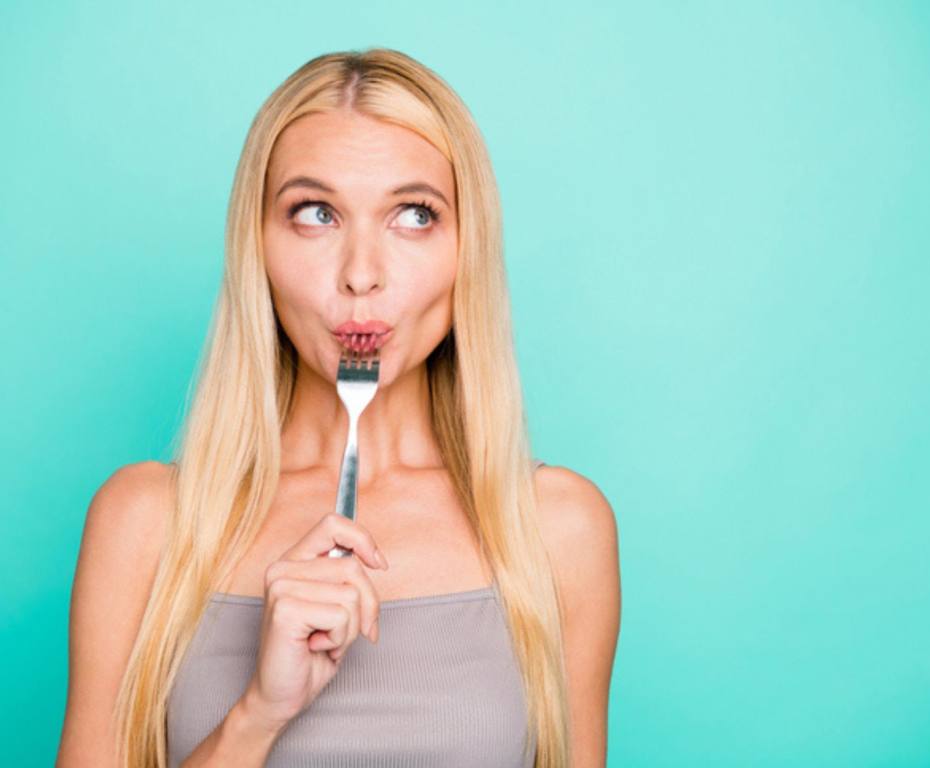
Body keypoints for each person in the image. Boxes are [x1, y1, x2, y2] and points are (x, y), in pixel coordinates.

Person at [56, 48, 620, 768]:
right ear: (255, 244)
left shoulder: (557, 529)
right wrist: (259, 715)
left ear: (465, 249)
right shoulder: (143, 524)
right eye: (315, 214)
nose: (361, 275)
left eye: (414, 215)